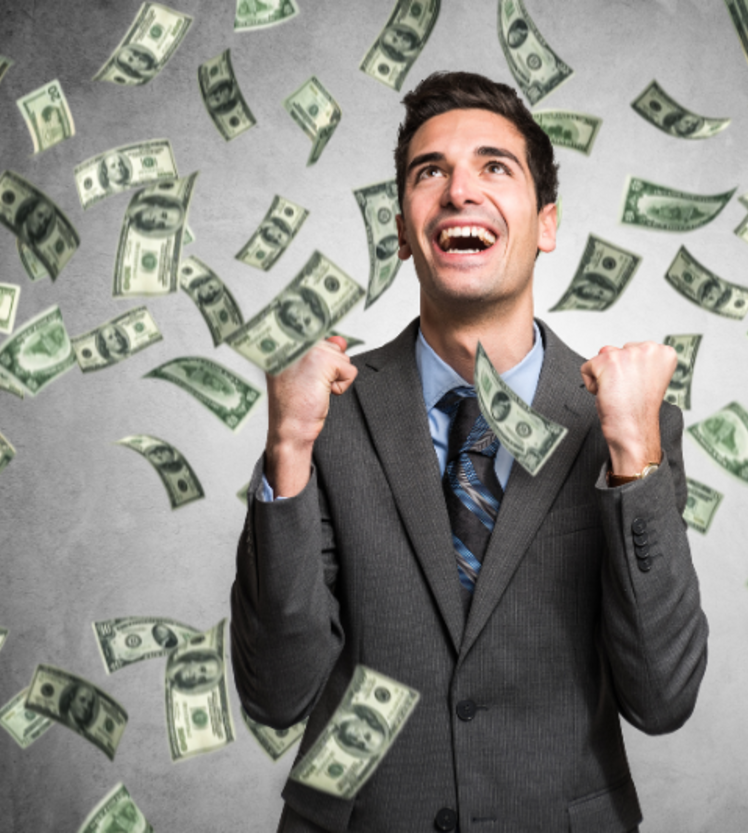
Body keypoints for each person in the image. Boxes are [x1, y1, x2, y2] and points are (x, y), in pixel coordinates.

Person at [232, 71, 707, 832]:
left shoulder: (629, 422)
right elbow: (275, 693)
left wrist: (633, 458)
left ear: (546, 223)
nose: (459, 191)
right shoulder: (324, 417)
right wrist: (287, 447)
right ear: (401, 227)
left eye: (494, 167)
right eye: (431, 172)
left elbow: (663, 698)